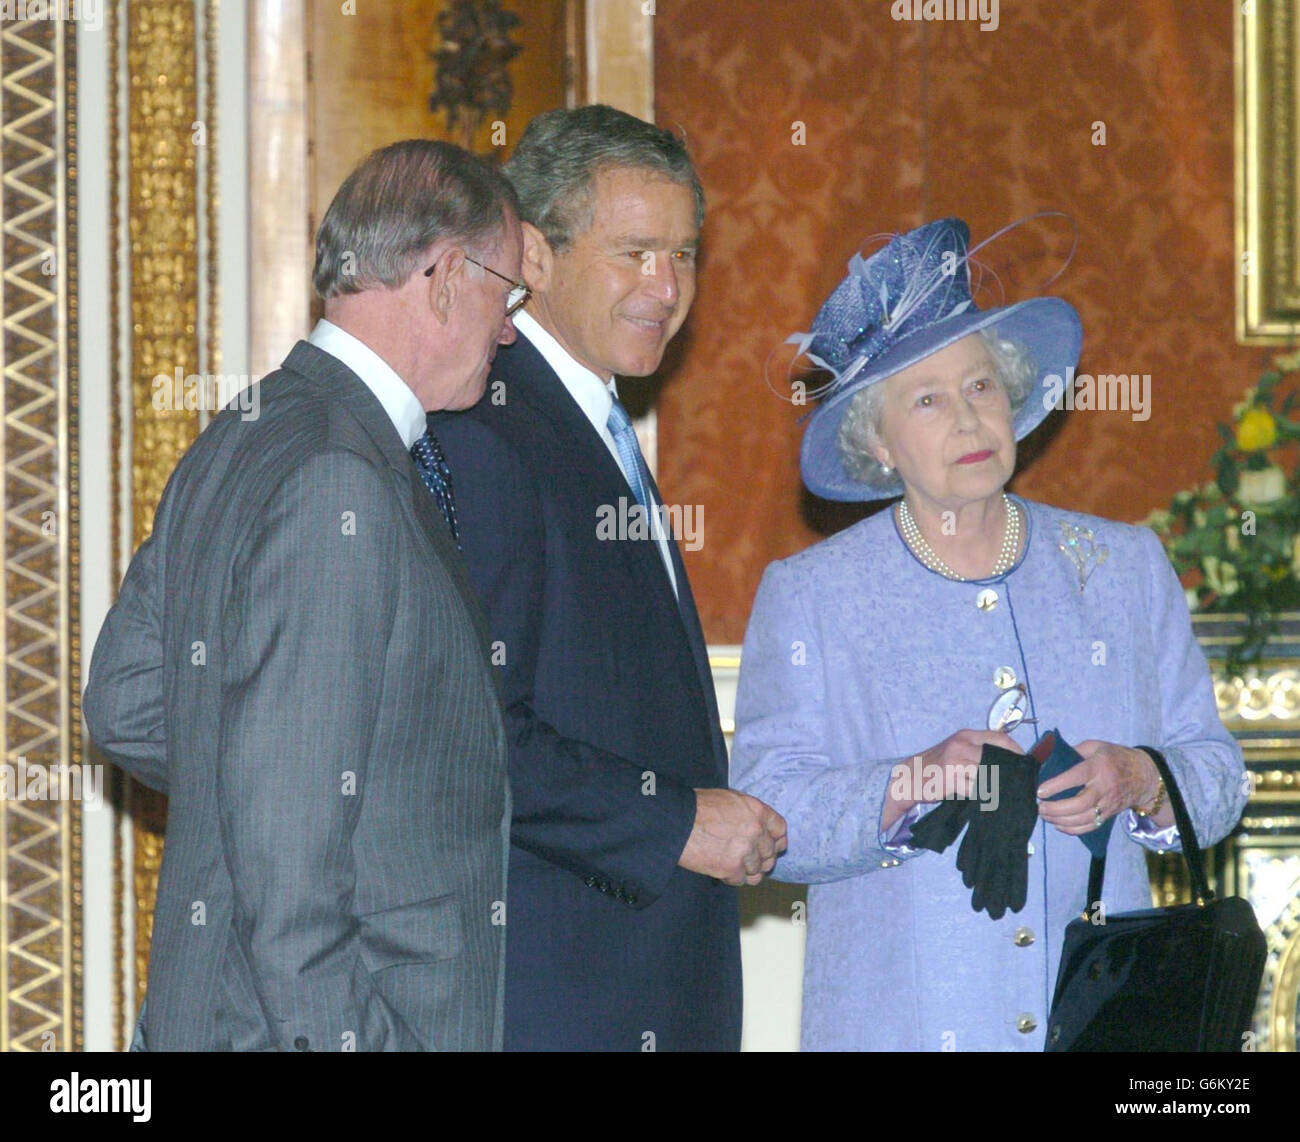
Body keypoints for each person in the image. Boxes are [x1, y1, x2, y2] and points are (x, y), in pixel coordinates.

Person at [730, 217, 1248, 1051]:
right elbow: (769, 817)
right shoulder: (813, 595)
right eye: (928, 400)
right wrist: (910, 781)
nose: (968, 421)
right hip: (898, 1023)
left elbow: (1219, 779)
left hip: (1104, 1027)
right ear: (878, 442)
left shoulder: (1122, 565)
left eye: (980, 388)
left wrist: (1141, 777)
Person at [83, 140, 520, 1051]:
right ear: (443, 276)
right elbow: (290, 879)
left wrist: (263, 783)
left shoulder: (243, 432)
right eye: (506, 293)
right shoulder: (341, 478)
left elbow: (126, 703)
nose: (509, 328)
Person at [433, 104, 787, 1051]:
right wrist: (676, 823)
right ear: (535, 259)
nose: (665, 286)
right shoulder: (489, 430)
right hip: (558, 995)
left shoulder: (582, 421)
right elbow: (472, 733)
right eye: (633, 252)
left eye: (683, 255)